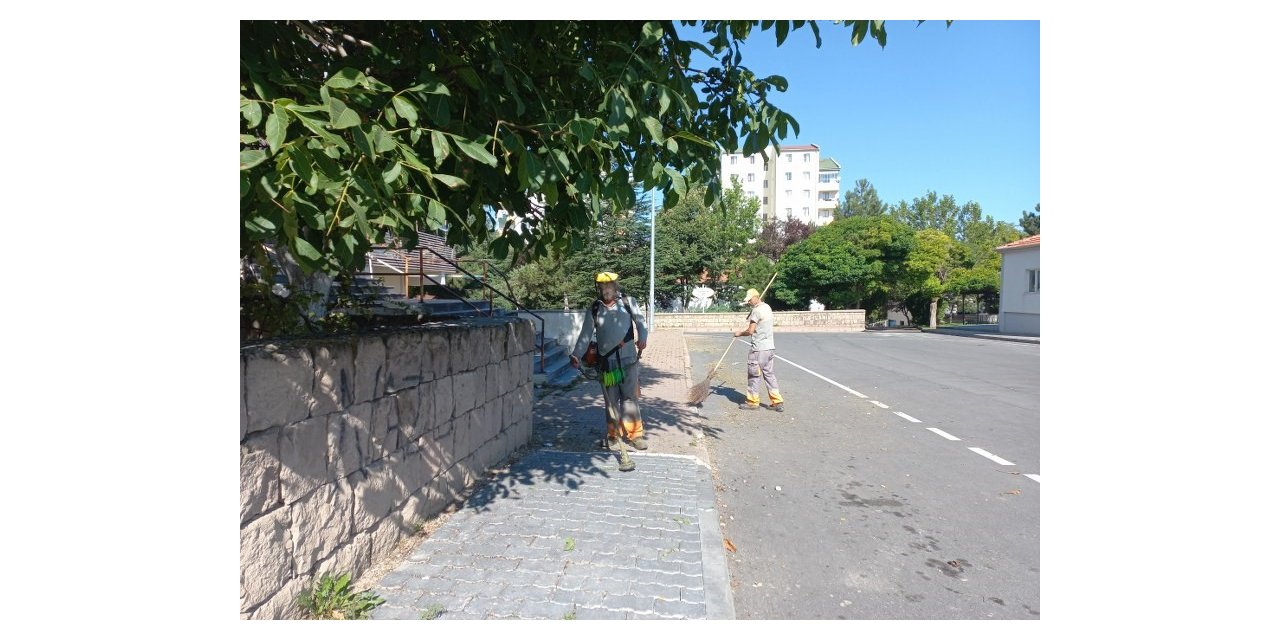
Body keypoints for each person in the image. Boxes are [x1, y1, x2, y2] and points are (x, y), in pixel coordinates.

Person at [570, 272, 650, 451]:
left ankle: (636, 435)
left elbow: (641, 323)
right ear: (598, 288)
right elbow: (585, 334)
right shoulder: (595, 308)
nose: (605, 289)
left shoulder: (629, 302)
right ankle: (613, 436)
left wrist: (643, 338)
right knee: (611, 401)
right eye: (602, 286)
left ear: (615, 285)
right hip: (607, 363)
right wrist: (576, 354)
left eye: (608, 286)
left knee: (630, 399)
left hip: (628, 360)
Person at [732, 288, 784, 412]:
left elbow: (750, 331)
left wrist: (739, 333)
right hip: (770, 348)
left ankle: (752, 402)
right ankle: (777, 401)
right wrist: (752, 312)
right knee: (769, 374)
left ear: (756, 297)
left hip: (758, 349)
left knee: (753, 375)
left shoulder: (756, 311)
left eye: (750, 300)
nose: (749, 302)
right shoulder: (767, 307)